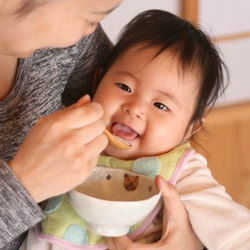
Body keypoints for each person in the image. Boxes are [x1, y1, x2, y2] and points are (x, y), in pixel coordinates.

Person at [21, 10, 250, 250]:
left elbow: (237, 232)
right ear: (98, 81)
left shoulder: (183, 174)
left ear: (189, 130)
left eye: (161, 105)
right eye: (124, 86)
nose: (135, 108)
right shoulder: (67, 136)